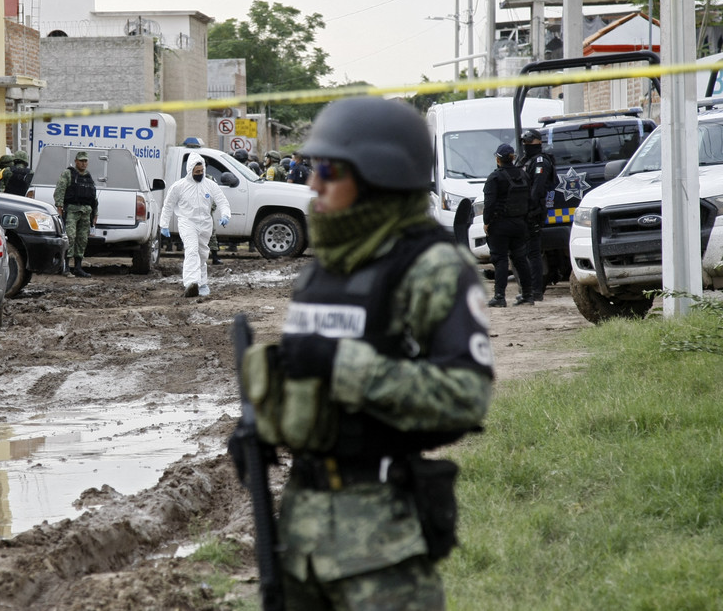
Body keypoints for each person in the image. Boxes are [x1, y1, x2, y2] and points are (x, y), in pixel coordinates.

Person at [233, 96, 493, 610]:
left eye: (328, 169)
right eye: (312, 168)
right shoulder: (323, 269)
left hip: (380, 546)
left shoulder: (433, 268)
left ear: (380, 175)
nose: (313, 184)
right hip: (300, 538)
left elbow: (466, 397)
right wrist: (262, 432)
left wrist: (341, 365)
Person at [159, 152, 231, 297]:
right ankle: (191, 283)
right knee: (191, 250)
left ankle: (202, 283)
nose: (199, 174)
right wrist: (164, 224)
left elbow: (222, 201)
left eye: (201, 171)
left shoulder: (210, 185)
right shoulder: (179, 186)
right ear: (190, 170)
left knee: (203, 254)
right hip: (187, 222)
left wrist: (225, 215)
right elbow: (168, 205)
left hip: (205, 223)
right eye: (196, 172)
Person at [483, 143, 534, 307]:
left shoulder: (495, 178)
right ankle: (527, 295)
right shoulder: (523, 175)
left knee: (500, 259)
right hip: (520, 223)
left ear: (498, 159)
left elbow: (489, 204)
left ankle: (499, 297)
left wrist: (486, 222)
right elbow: (530, 200)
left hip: (500, 225)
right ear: (512, 158)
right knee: (521, 259)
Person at [517, 128, 556, 302]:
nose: (526, 145)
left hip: (533, 212)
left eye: (529, 142)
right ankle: (528, 289)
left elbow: (538, 189)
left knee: (533, 253)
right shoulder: (525, 160)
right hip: (523, 212)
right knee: (524, 252)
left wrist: (529, 209)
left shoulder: (540, 161)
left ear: (538, 142)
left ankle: (535, 291)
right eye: (524, 142)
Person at [54, 150, 98, 277]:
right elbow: (60, 190)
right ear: (76, 161)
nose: (84, 163)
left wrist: (95, 213)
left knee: (82, 239)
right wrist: (59, 207)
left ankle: (78, 267)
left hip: (86, 212)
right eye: (81, 161)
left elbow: (93, 197)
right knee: (70, 237)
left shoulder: (88, 176)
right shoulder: (68, 174)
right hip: (72, 211)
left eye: (86, 161)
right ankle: (66, 267)